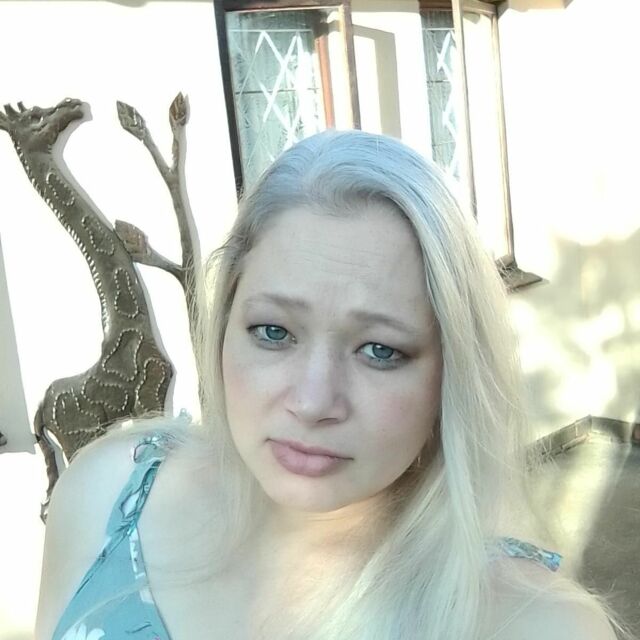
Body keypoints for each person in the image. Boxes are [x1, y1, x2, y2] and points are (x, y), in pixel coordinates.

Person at [35, 130, 625, 640]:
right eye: (273, 332)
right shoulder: (106, 495)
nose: (313, 402)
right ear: (223, 327)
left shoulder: (534, 623)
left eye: (380, 350)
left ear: (452, 372)